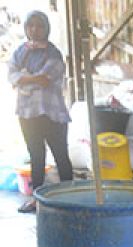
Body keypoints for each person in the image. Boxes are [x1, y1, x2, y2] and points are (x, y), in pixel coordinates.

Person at [8, 10, 72, 214]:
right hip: (27, 114)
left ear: (46, 29)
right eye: (30, 26)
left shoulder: (53, 53)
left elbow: (46, 78)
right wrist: (30, 78)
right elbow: (11, 75)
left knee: (61, 155)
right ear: (26, 28)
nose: (34, 30)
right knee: (36, 156)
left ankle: (69, 195)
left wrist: (24, 78)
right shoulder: (20, 51)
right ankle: (37, 200)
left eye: (39, 26)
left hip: (52, 114)